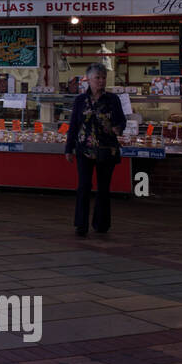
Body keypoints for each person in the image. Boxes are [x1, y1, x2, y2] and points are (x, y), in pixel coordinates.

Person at [64, 62, 126, 236]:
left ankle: (101, 224)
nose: (101, 81)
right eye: (97, 78)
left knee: (103, 188)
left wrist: (118, 128)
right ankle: (81, 224)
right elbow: (74, 126)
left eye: (103, 78)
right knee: (83, 186)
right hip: (84, 149)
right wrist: (68, 149)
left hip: (107, 149)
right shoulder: (80, 100)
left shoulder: (113, 99)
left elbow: (122, 121)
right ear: (89, 80)